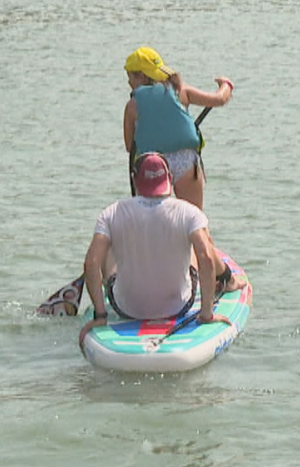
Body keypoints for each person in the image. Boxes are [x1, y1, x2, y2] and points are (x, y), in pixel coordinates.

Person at [82, 153, 244, 332]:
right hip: (178, 307)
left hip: (126, 309)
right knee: (196, 245)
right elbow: (206, 257)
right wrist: (207, 314)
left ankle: (110, 294)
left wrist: (100, 315)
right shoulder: (188, 212)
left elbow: (91, 263)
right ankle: (227, 279)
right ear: (170, 178)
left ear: (134, 179)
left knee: (107, 247)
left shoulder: (111, 213)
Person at [124, 46, 232, 210]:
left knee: (152, 222)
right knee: (195, 220)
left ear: (142, 76)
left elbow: (130, 146)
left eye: (130, 76)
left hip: (153, 166)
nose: (128, 82)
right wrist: (226, 84)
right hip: (185, 163)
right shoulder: (180, 90)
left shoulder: (132, 105)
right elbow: (219, 99)